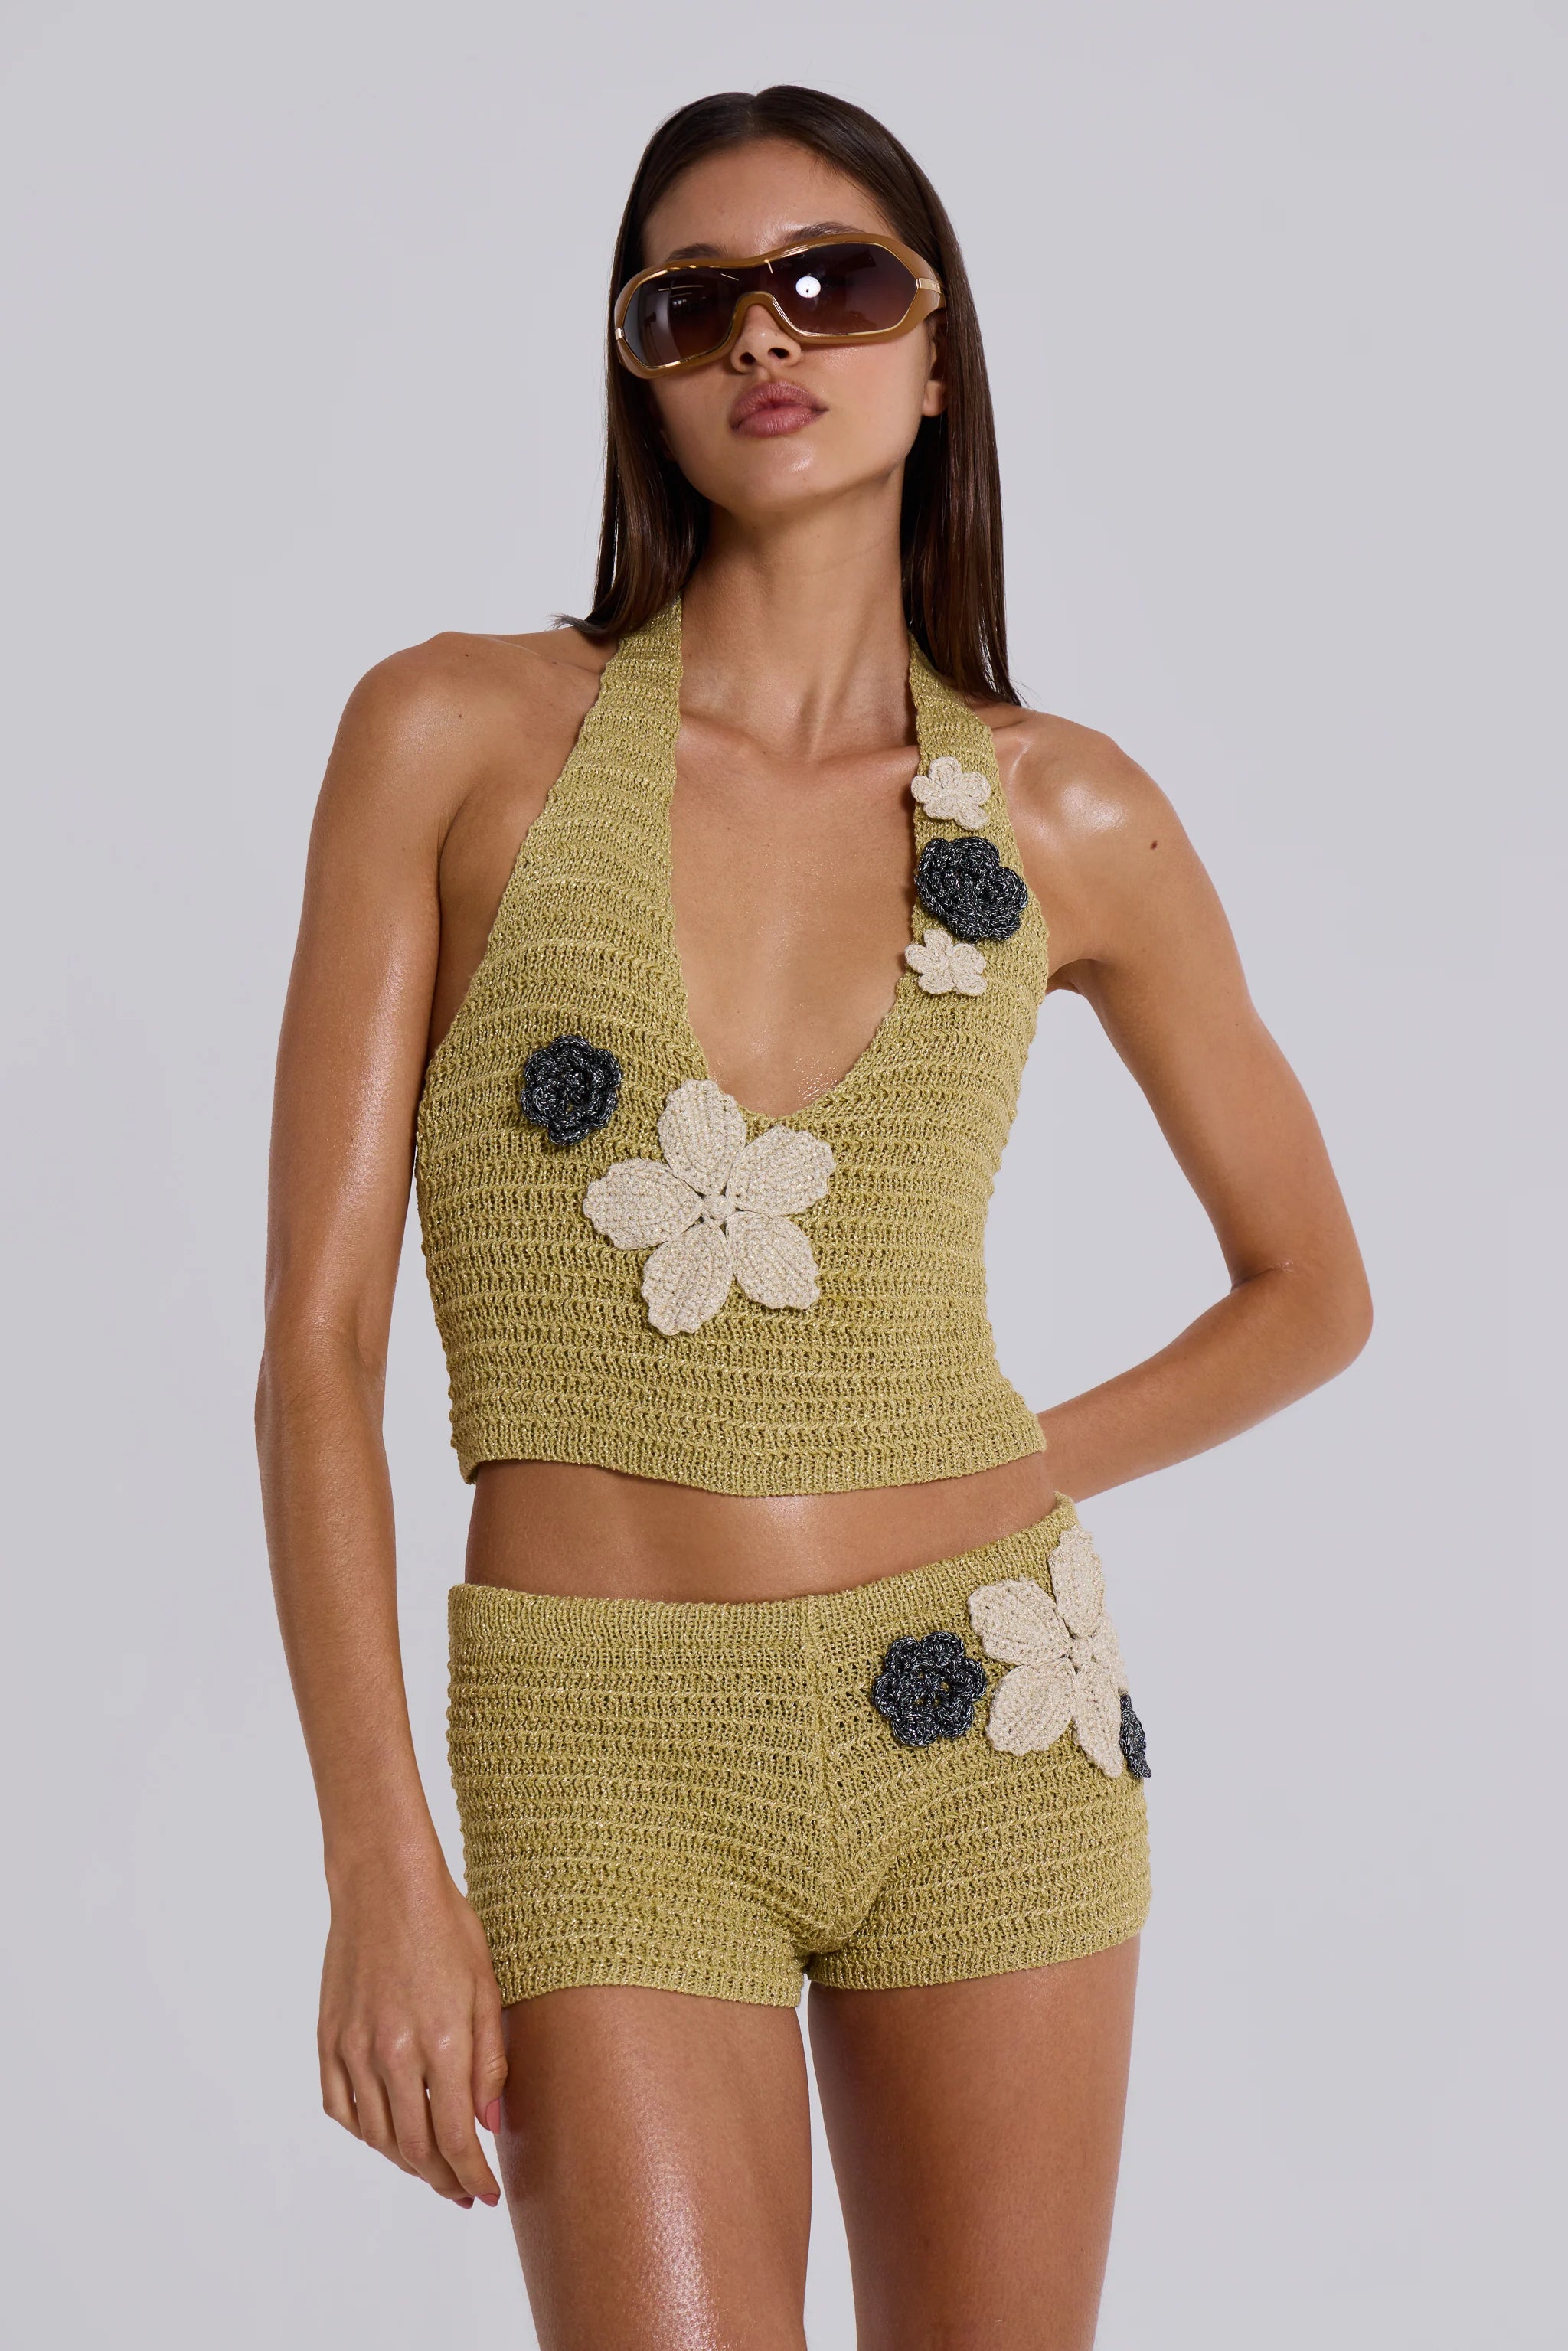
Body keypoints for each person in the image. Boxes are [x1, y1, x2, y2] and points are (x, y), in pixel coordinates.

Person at [256, 83, 1371, 2351]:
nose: (767, 334)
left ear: (937, 354)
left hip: (990, 1722)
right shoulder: (459, 738)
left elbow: (1311, 1291)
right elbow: (317, 1351)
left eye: (833, 281)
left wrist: (1003, 1472)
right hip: (594, 1735)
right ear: (640, 377)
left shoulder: (1063, 814)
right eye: (691, 304)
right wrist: (379, 1855)